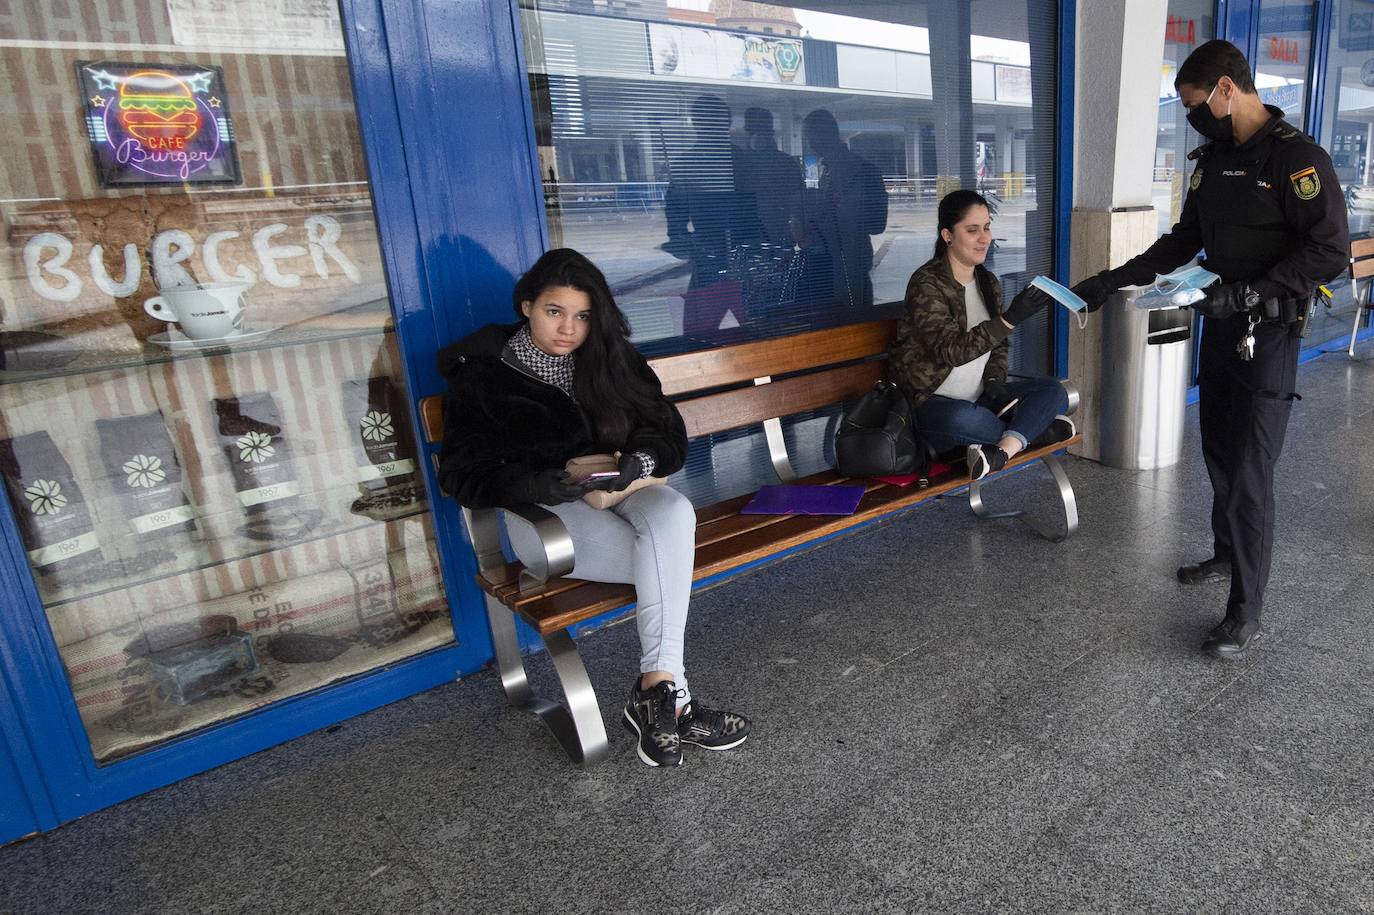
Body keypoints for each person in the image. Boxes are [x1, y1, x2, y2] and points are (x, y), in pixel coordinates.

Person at [1071, 40, 1349, 660]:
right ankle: (1227, 553)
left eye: (1198, 104)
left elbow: (1330, 251)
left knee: (1250, 470)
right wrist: (1108, 280)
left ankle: (1246, 611)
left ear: (1227, 88)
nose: (1195, 116)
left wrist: (1249, 293)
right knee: (1220, 450)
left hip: (1269, 332)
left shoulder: (1297, 160)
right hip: (1222, 327)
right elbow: (1183, 240)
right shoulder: (1211, 161)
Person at [436, 248, 751, 767]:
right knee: (666, 561)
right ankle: (675, 703)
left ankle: (658, 689)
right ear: (526, 306)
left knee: (673, 514)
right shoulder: (484, 377)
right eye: (554, 312)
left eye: (582, 316)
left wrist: (641, 459)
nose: (568, 329)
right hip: (545, 519)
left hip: (620, 494)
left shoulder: (609, 357)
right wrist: (540, 480)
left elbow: (666, 430)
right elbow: (461, 474)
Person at [888, 190, 1071, 480]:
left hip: (981, 397)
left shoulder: (987, 281)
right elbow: (953, 351)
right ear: (948, 235)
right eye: (972, 230)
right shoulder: (927, 283)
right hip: (932, 403)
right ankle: (1032, 431)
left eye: (986, 227)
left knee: (1055, 391)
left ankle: (1000, 452)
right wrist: (1009, 319)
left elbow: (998, 346)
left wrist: (995, 381)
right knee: (967, 419)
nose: (984, 237)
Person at [801, 109, 888, 308]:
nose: (810, 144)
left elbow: (874, 223)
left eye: (810, 137)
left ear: (824, 134)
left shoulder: (853, 170)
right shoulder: (832, 169)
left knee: (851, 316)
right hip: (843, 261)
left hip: (846, 263)